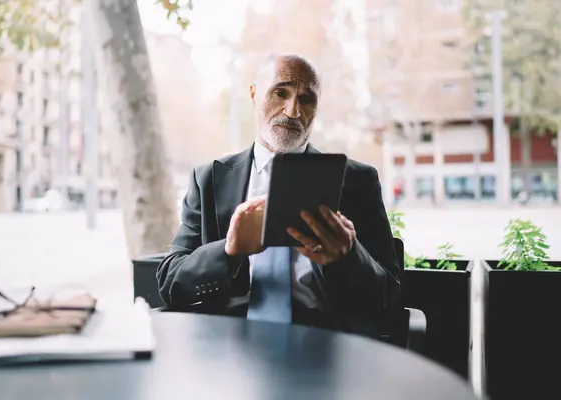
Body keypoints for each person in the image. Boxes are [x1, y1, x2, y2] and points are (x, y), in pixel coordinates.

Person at [156, 54, 401, 337]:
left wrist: (347, 256)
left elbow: (390, 296)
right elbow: (170, 282)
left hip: (327, 343)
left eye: (306, 99)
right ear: (253, 95)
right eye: (280, 93)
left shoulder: (357, 181)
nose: (293, 111)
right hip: (231, 343)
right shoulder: (209, 179)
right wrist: (228, 251)